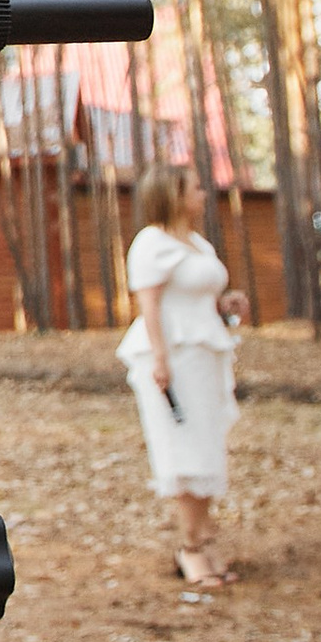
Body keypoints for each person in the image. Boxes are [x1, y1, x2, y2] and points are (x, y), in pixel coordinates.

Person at [117, 164, 245, 587]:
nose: (203, 193)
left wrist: (225, 304)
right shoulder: (151, 243)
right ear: (173, 194)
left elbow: (192, 296)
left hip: (205, 353)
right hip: (173, 360)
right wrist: (160, 359)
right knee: (185, 451)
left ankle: (205, 539)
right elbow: (149, 305)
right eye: (195, 187)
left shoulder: (196, 243)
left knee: (207, 448)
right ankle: (190, 548)